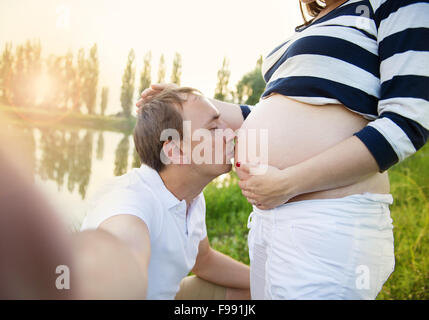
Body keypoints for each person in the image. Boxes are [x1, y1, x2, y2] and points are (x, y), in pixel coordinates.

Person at [138, 0, 429, 299]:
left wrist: (289, 183)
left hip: (328, 220)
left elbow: (408, 120)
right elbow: (267, 115)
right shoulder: (311, 24)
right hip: (269, 222)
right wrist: (188, 103)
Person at [81, 87, 250, 299]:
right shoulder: (130, 201)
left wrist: (271, 284)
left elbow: (203, 260)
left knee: (256, 289)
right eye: (214, 128)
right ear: (175, 151)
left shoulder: (193, 197)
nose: (231, 132)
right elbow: (123, 244)